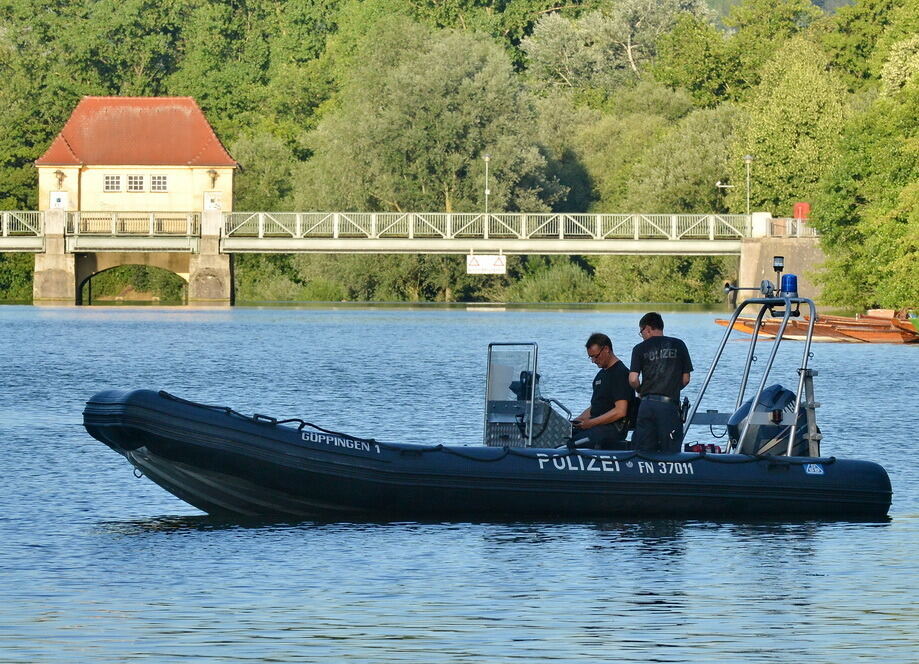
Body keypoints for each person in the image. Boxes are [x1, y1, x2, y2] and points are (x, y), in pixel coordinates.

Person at [629, 312, 693, 454]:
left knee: (642, 452)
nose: (643, 336)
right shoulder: (679, 344)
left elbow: (633, 379)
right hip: (669, 406)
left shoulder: (639, 348)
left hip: (646, 404)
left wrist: (641, 390)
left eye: (641, 332)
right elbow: (686, 378)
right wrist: (672, 388)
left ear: (647, 329)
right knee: (671, 452)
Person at [572, 332, 634, 450]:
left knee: (573, 443)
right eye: (591, 357)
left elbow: (620, 411)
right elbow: (595, 407)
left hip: (612, 430)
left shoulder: (620, 373)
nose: (593, 361)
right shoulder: (600, 376)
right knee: (567, 435)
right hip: (595, 427)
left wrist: (591, 423)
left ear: (606, 349)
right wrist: (577, 420)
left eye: (596, 356)